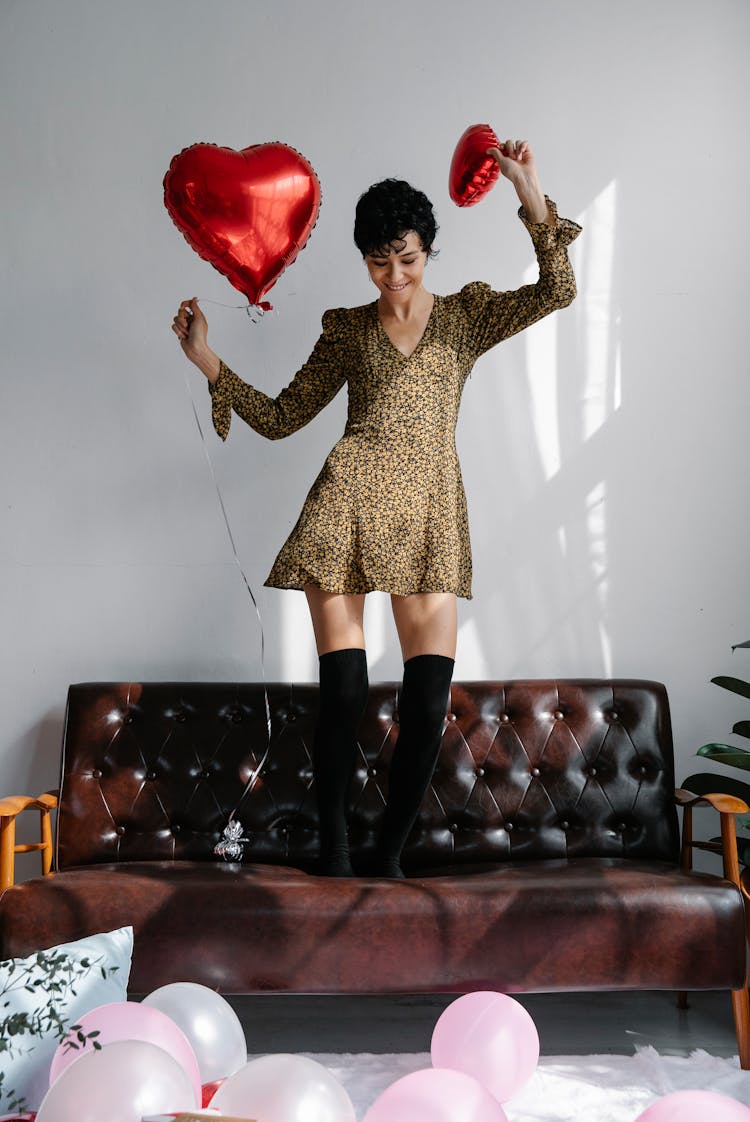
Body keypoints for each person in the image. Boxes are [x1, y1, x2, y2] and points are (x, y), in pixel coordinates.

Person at [172, 139, 581, 879]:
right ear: (363, 260)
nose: (394, 277)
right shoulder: (347, 329)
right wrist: (209, 360)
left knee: (427, 704)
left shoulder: (468, 315)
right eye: (378, 262)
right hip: (348, 508)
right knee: (347, 695)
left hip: (428, 515)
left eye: (407, 259)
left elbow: (558, 289)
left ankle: (387, 857)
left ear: (429, 251)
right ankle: (334, 852)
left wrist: (527, 188)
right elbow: (283, 414)